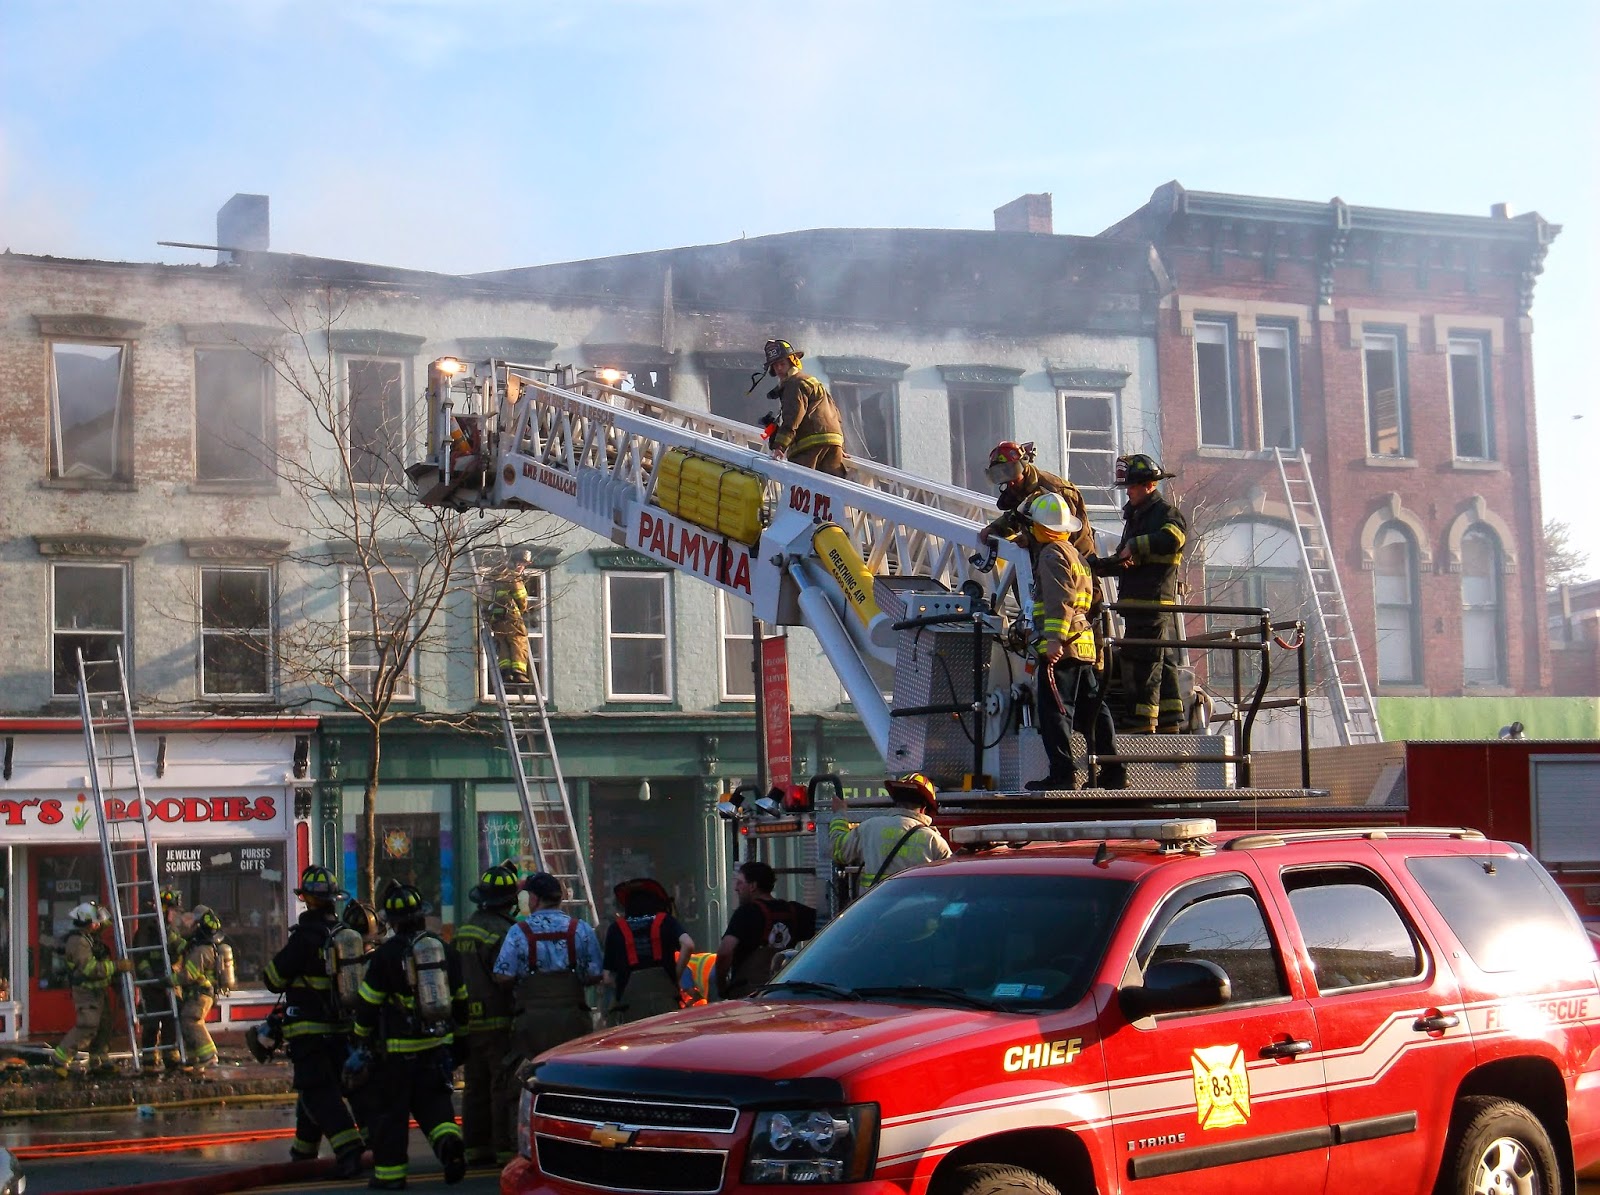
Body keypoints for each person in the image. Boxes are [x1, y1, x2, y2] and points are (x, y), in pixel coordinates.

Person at [350, 882, 469, 1190]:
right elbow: (461, 1001)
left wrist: (361, 1038)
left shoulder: (386, 955)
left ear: (391, 920)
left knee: (391, 1115)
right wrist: (460, 1042)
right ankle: (448, 1147)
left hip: (396, 1054)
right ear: (421, 915)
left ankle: (390, 1177)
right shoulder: (444, 950)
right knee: (437, 1109)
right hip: (436, 1048)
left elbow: (367, 1004)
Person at [1019, 492, 1127, 791]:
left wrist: (1053, 640)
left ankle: (1062, 775)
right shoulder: (1075, 555)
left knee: (1055, 712)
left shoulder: (1052, 555)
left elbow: (1060, 601)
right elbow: (1084, 598)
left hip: (1063, 648)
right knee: (1094, 709)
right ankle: (1114, 772)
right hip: (1084, 645)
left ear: (1039, 528)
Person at [263, 866, 365, 1178]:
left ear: (307, 900)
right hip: (340, 1030)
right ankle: (303, 1155)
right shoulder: (343, 936)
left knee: (318, 1092)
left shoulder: (305, 938)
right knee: (315, 1090)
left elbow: (273, 978)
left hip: (308, 1031)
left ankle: (350, 1149)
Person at [1088, 454, 1188, 734]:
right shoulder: (1135, 518)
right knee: (1163, 659)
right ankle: (1169, 719)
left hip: (1152, 601)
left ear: (1149, 485)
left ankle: (1141, 721)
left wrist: (1136, 544)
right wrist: (1094, 566)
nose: (1128, 492)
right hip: (1137, 604)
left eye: (1131, 487)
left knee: (1143, 661)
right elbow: (1125, 560)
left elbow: (1174, 539)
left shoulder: (1166, 514)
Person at [493, 872, 602, 1064]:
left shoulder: (518, 931)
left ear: (534, 899)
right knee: (572, 1074)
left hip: (532, 1022)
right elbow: (595, 973)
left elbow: (503, 975)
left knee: (533, 1075)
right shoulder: (581, 929)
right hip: (573, 1019)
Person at [454, 863, 521, 1168]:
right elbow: (505, 977)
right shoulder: (504, 933)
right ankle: (503, 1149)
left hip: (469, 1021)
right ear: (509, 901)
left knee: (474, 1086)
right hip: (498, 1020)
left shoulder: (466, 928)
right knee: (502, 1085)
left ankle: (475, 1148)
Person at [829, 772, 954, 897]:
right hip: (917, 913)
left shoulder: (869, 827)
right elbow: (950, 884)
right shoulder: (934, 840)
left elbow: (838, 850)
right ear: (924, 808)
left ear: (896, 801)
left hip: (873, 910)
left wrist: (839, 814)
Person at [977, 441, 1096, 560]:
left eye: (1012, 473)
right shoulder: (1023, 489)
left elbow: (1063, 532)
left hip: (1074, 559)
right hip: (1045, 557)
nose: (1010, 482)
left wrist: (1031, 540)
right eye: (1002, 476)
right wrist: (995, 529)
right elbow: (1017, 516)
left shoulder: (1055, 492)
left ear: (1024, 466)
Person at [714, 862, 816, 1000]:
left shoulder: (746, 913)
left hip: (749, 996)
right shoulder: (795, 911)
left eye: (739, 882)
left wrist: (721, 987)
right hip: (784, 992)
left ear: (753, 886)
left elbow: (725, 952)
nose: (736, 888)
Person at [50, 902, 130, 1078]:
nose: (99, 924)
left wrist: (107, 915)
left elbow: (105, 923)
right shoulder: (78, 942)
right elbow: (90, 969)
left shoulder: (90, 937)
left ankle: (99, 1061)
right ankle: (60, 1059)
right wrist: (117, 967)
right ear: (87, 922)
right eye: (95, 921)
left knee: (104, 1026)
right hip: (86, 992)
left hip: (98, 991)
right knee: (87, 1026)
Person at [601, 878, 693, 1025]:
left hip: (631, 1009)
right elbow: (688, 944)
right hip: (666, 1002)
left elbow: (607, 977)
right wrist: (674, 976)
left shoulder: (616, 929)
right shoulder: (666, 921)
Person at [757, 339, 847, 477]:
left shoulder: (793, 384)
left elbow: (793, 415)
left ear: (792, 362)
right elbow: (834, 412)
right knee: (832, 492)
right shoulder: (812, 380)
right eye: (775, 366)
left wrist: (780, 446)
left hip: (809, 446)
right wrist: (839, 444)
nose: (779, 369)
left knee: (803, 488)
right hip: (833, 443)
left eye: (782, 363)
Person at [133, 885, 186, 1072]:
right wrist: (150, 976)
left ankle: (171, 1055)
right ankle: (149, 1058)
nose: (175, 914)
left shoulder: (171, 931)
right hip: (152, 984)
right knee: (152, 1021)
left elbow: (180, 949)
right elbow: (140, 957)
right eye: (172, 910)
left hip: (168, 982)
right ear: (164, 909)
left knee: (172, 1017)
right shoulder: (147, 930)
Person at [176, 904, 223, 1073]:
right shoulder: (201, 946)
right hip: (198, 993)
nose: (191, 926)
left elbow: (188, 975)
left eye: (195, 924)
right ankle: (193, 1058)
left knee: (191, 1020)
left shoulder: (201, 951)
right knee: (185, 1021)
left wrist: (167, 980)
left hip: (200, 994)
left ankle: (209, 1056)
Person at [485, 550, 533, 685]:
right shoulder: (513, 577)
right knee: (519, 640)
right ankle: (519, 672)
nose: (523, 567)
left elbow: (485, 598)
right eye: (523, 564)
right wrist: (523, 609)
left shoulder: (494, 576)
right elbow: (521, 598)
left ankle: (506, 671)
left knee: (503, 642)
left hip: (497, 617)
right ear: (516, 563)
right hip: (511, 615)